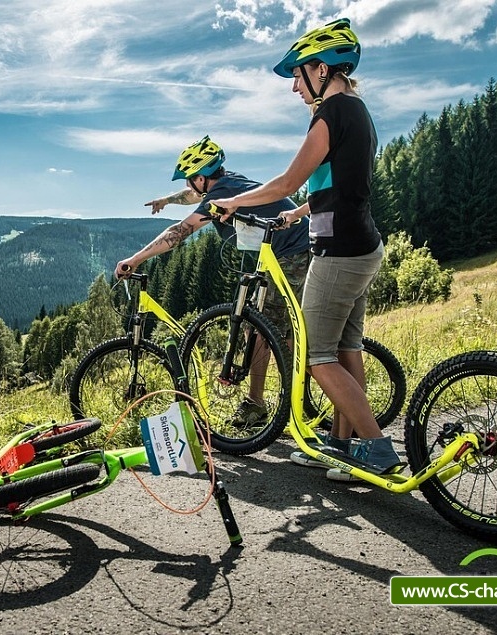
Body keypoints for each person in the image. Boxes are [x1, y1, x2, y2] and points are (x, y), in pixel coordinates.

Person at [212, 18, 403, 479]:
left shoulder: (330, 114)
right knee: (345, 348)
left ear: (321, 69)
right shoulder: (357, 112)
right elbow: (337, 185)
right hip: (362, 243)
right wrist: (296, 214)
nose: (295, 86)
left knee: (316, 357)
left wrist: (234, 202)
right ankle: (342, 445)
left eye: (298, 75)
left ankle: (376, 447)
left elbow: (288, 181)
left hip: (338, 252)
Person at [115, 135, 311, 426]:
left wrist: (136, 259)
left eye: (189, 178)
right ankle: (299, 396)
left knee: (263, 327)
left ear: (201, 178)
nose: (188, 185)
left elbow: (180, 232)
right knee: (262, 326)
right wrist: (166, 200)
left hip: (293, 252)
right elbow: (192, 196)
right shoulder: (226, 184)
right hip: (282, 251)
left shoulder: (223, 193)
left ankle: (264, 404)